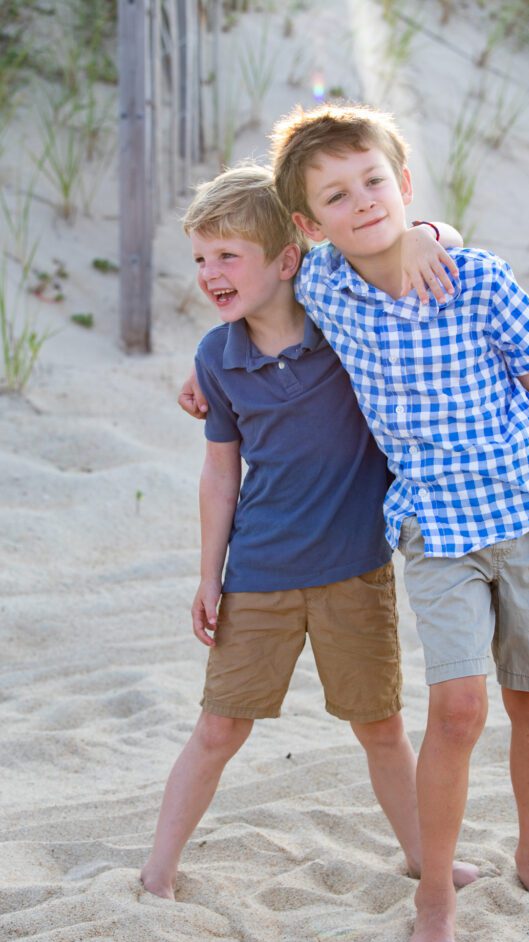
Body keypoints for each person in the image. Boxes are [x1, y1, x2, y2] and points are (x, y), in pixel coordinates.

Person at [261, 102, 529, 942]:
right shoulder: (323, 285)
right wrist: (208, 378)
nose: (363, 201)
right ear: (311, 224)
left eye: (375, 182)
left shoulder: (477, 277)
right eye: (337, 196)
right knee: (456, 708)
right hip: (436, 530)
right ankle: (435, 903)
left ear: (403, 182)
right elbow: (247, 259)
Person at [141, 162, 477, 901]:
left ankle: (425, 858)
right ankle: (157, 872)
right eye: (200, 259)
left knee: (380, 728)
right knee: (219, 729)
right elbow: (220, 474)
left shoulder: (346, 315)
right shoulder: (216, 357)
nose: (210, 274)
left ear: (288, 258)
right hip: (257, 571)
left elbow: (418, 243)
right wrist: (208, 574)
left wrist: (423, 233)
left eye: (228, 256)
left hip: (355, 569)